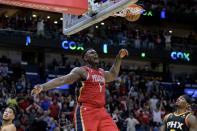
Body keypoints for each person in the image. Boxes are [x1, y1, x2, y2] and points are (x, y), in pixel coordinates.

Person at [31, 48, 128, 131]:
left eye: (95, 52)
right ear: (85, 58)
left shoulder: (101, 72)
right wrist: (43, 86)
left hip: (102, 110)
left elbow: (113, 74)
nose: (95, 54)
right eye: (91, 52)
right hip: (86, 110)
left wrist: (118, 58)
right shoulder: (82, 71)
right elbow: (62, 80)